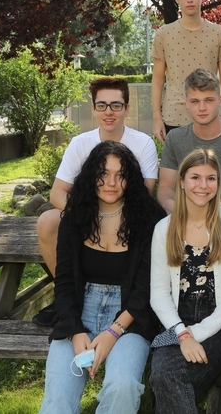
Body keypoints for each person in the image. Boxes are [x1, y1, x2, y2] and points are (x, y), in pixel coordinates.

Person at [39, 141, 165, 414]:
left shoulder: (150, 219)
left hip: (130, 317)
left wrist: (113, 332)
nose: (111, 183)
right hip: (79, 313)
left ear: (131, 179)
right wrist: (75, 330)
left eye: (120, 175)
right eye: (103, 174)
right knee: (57, 402)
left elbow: (146, 288)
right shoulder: (74, 218)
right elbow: (63, 282)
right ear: (91, 176)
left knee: (122, 387)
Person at [33, 77, 158, 327]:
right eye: (102, 105)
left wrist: (110, 216)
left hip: (127, 216)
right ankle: (67, 296)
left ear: (127, 108)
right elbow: (57, 194)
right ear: (93, 108)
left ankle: (130, 298)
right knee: (47, 220)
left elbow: (144, 195)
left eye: (116, 105)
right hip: (89, 213)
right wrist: (91, 215)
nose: (108, 112)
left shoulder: (143, 143)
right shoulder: (80, 143)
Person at [149, 148, 221, 413]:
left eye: (211, 178)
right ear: (182, 182)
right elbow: (159, 294)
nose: (203, 185)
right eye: (195, 177)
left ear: (218, 183)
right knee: (164, 376)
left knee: (169, 380)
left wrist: (198, 333)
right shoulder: (164, 229)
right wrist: (183, 334)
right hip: (176, 321)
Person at [157, 69, 221, 217]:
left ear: (220, 101)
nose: (202, 108)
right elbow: (165, 187)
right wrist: (174, 207)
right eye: (195, 101)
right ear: (186, 103)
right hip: (183, 217)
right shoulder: (174, 139)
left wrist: (209, 207)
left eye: (209, 100)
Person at [151, 0, 221, 140]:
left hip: (211, 116)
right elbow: (158, 78)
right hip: (174, 117)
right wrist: (156, 118)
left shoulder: (219, 33)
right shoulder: (163, 34)